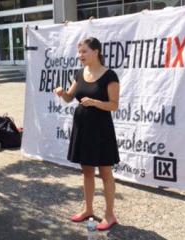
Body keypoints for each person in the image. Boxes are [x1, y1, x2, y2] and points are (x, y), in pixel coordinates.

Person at [54, 37, 120, 231]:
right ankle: (88, 209)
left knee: (106, 173)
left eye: (84, 51)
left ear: (96, 51)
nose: (80, 55)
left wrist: (95, 102)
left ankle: (110, 215)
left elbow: (114, 105)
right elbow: (68, 98)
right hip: (82, 126)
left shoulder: (110, 75)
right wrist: (61, 92)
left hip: (101, 129)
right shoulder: (79, 73)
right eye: (79, 51)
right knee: (87, 171)